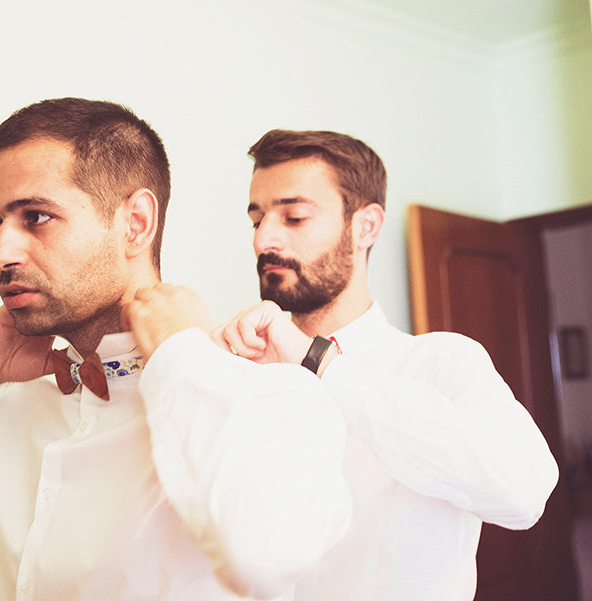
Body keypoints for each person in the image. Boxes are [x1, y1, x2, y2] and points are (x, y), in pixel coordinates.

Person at [0, 99, 352, 601]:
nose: (0, 253)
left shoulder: (269, 392)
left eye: (36, 217)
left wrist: (180, 355)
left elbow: (265, 558)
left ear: (136, 223)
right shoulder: (20, 412)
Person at [214, 129, 559, 601]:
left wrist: (318, 362)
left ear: (366, 226)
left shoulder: (442, 362)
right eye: (257, 220)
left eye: (293, 217)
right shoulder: (239, 369)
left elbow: (525, 493)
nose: (263, 239)